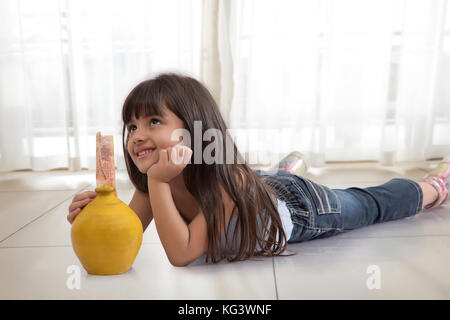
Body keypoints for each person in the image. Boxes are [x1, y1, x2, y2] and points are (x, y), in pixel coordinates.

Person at [67, 73, 450, 267]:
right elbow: (125, 244)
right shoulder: (156, 183)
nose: (137, 135)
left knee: (365, 205)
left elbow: (182, 255)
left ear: (195, 126)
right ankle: (284, 168)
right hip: (260, 187)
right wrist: (98, 219)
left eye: (153, 121)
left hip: (300, 209)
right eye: (132, 126)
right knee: (262, 178)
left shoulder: (221, 179)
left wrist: (157, 182)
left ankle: (432, 186)